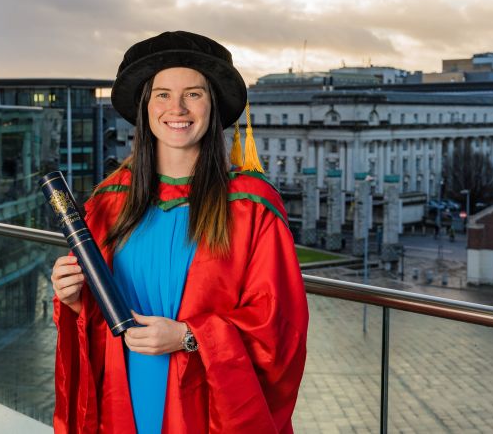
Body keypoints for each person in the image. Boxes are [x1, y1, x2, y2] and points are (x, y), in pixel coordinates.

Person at [50, 31, 309, 433]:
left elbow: (277, 328)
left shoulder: (252, 206)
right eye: (162, 95)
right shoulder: (107, 202)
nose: (177, 108)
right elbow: (98, 316)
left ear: (213, 105)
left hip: (204, 403)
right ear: (146, 108)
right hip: (124, 391)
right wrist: (73, 297)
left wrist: (189, 337)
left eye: (193, 94)